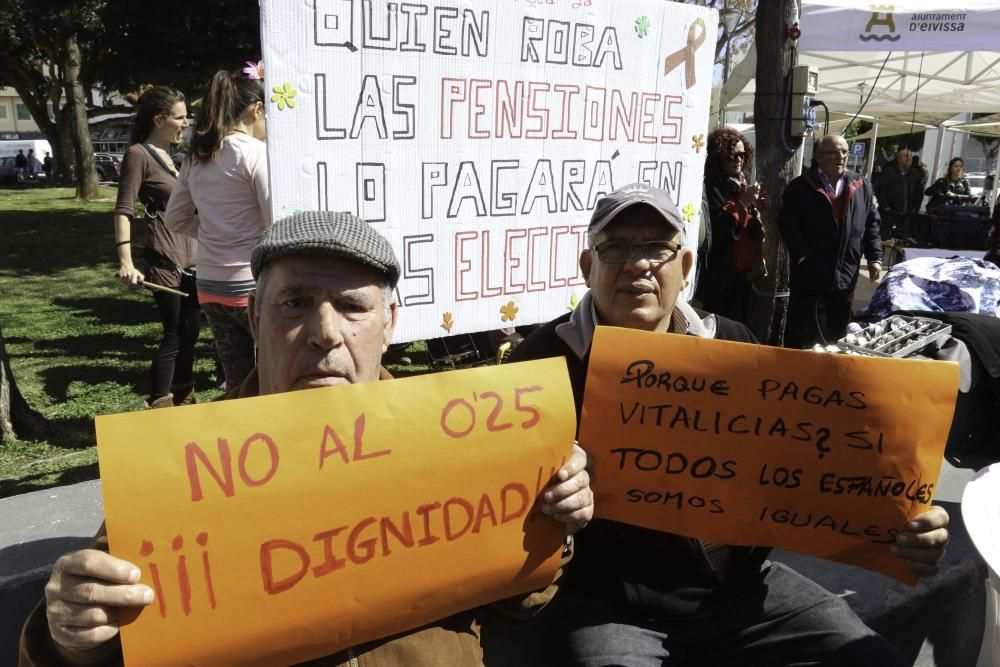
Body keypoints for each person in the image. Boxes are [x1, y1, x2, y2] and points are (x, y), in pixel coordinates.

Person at [19, 211, 594, 666]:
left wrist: (548, 529)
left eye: (352, 307)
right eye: (295, 304)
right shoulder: (181, 475)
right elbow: (105, 633)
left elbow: (521, 608)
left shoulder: (465, 443)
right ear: (252, 318)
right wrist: (71, 636)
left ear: (391, 324)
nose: (324, 333)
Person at [509, 182, 949, 666]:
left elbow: (803, 467)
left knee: (873, 660)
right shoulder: (540, 362)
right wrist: (551, 496)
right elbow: (502, 508)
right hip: (613, 608)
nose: (638, 264)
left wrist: (899, 523)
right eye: (616, 248)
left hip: (744, 593)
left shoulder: (737, 346)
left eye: (657, 247)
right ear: (588, 267)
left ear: (686, 267)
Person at [165, 68, 271, 390]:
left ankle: (240, 435)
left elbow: (175, 219)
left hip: (210, 285)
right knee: (273, 376)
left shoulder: (198, 156)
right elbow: (275, 223)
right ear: (256, 110)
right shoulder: (255, 154)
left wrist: (214, 231)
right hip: (251, 285)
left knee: (237, 380)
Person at [113, 86, 200, 408]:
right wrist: (126, 261)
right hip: (165, 260)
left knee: (191, 334)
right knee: (174, 334)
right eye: (180, 117)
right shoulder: (138, 154)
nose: (186, 123)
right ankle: (160, 405)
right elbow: (124, 210)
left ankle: (185, 398)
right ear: (159, 119)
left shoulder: (178, 158)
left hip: (195, 258)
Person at [779, 134, 882, 349]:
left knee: (837, 338)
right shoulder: (800, 187)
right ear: (818, 157)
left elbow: (872, 224)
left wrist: (875, 258)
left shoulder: (861, 185)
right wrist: (804, 258)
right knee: (803, 337)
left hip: (845, 275)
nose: (841, 156)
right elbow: (789, 227)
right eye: (834, 152)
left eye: (844, 151)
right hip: (810, 278)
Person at [694, 127, 765, 324]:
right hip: (720, 275)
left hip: (741, 273)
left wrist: (756, 206)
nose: (739, 160)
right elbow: (719, 231)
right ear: (718, 157)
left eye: (742, 155)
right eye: (732, 155)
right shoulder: (710, 185)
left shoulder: (739, 183)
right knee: (719, 324)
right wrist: (742, 203)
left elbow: (747, 226)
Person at [875, 147, 923, 240]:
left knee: (902, 239)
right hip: (888, 213)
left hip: (906, 214)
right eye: (906, 156)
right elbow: (880, 190)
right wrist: (885, 206)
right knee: (883, 238)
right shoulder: (888, 171)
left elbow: (919, 192)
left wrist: (915, 208)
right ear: (899, 158)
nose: (909, 158)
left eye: (911, 156)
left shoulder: (915, 174)